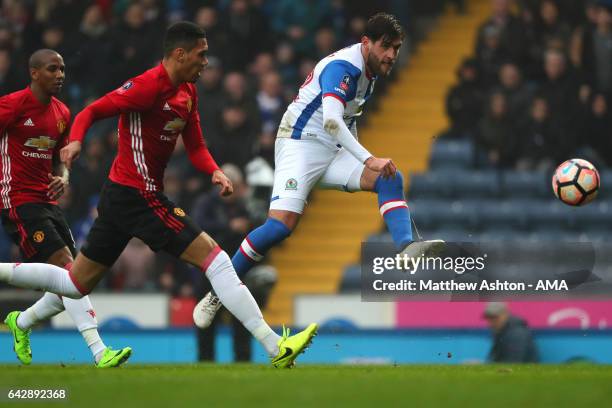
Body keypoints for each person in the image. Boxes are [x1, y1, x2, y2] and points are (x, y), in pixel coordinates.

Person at [0, 22, 316, 368]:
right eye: (201, 55)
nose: (206, 63)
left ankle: (20, 319)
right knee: (217, 260)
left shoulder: (188, 93)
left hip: (123, 197)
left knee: (75, 283)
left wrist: (213, 170)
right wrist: (76, 140)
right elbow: (92, 111)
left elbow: (195, 146)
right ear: (179, 54)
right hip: (137, 194)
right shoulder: (146, 86)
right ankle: (276, 347)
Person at [194, 13, 444, 328]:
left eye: (396, 48)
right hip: (299, 143)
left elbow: (346, 122)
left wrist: (361, 160)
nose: (392, 55)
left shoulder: (370, 71)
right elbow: (330, 120)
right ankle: (219, 290)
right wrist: (367, 159)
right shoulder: (344, 67)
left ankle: (407, 246)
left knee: (390, 177)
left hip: (331, 149)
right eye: (387, 47)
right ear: (366, 42)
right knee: (280, 227)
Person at [0, 49, 131, 367]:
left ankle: (22, 322)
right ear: (34, 73)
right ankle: (100, 351)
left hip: (47, 201)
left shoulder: (61, 112)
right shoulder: (12, 105)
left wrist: (63, 176)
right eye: (52, 69)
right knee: (68, 270)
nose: (60, 75)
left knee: (75, 281)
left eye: (62, 69)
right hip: (17, 199)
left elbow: (62, 156)